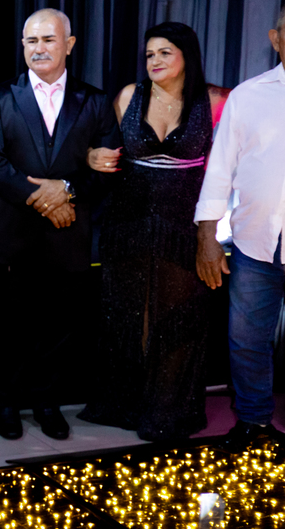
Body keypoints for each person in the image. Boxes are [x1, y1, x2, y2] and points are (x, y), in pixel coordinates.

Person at [0, 8, 118, 441]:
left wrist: (66, 190)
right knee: (10, 326)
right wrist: (43, 197)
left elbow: (108, 166)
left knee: (59, 328)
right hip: (13, 234)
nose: (38, 48)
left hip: (69, 235)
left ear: (69, 45)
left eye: (48, 40)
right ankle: (6, 403)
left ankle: (47, 402)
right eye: (31, 41)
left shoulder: (95, 101)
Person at [79, 23, 225, 440]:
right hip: (127, 222)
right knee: (127, 314)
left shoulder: (216, 100)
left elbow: (228, 166)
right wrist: (91, 156)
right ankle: (123, 405)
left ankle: (166, 411)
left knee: (176, 317)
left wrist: (211, 232)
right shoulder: (129, 96)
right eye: (149, 54)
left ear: (186, 55)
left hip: (182, 226)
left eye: (164, 52)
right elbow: (95, 147)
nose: (154, 61)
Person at [195, 6, 285, 451]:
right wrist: (207, 236)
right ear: (275, 38)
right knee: (246, 339)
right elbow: (220, 170)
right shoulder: (249, 96)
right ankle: (253, 420)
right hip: (255, 243)